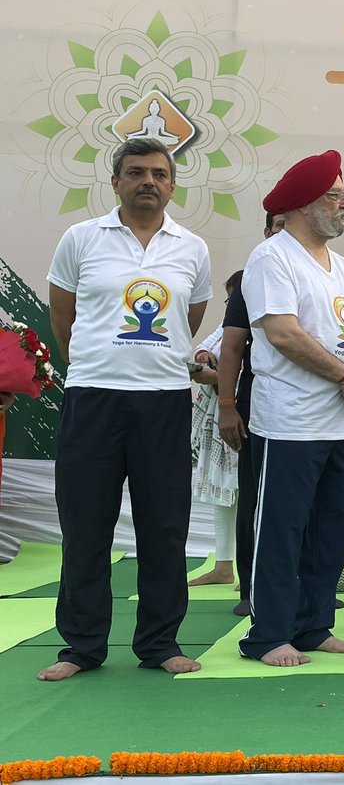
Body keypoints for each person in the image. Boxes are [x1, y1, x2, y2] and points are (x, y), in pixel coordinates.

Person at [40, 137, 212, 681]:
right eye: (136, 172)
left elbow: (191, 319)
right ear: (115, 181)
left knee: (165, 527)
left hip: (163, 402)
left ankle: (160, 643)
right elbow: (63, 319)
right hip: (92, 399)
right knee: (85, 524)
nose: (149, 181)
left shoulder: (192, 248)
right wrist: (99, 367)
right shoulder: (81, 238)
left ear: (173, 185)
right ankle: (81, 648)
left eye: (160, 174)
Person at [236, 150, 344, 667]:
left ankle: (315, 625)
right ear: (302, 205)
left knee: (334, 526)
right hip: (291, 421)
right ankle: (268, 634)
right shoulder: (272, 256)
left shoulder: (343, 266)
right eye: (334, 196)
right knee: (283, 528)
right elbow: (282, 333)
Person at [216, 211, 286, 616]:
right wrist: (228, 406)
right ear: (266, 232)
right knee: (256, 498)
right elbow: (231, 348)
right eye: (278, 226)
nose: (285, 234)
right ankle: (250, 588)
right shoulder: (251, 280)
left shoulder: (323, 271)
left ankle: (310, 589)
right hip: (257, 404)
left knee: (308, 502)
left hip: (313, 409)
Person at [187, 277, 240, 590]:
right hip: (217, 415)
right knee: (222, 492)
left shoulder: (260, 325)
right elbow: (205, 344)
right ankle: (223, 565)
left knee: (248, 494)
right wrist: (204, 356)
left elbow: (246, 372)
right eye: (229, 300)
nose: (232, 306)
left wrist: (216, 378)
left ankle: (248, 567)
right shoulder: (228, 323)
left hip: (245, 414)